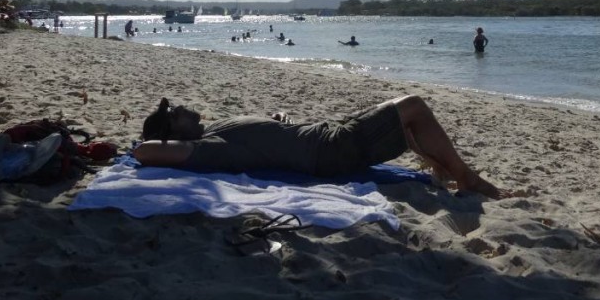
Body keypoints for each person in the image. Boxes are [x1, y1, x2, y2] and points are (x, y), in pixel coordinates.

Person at [134, 96, 505, 198]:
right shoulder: (205, 148)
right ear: (173, 135)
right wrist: (150, 143)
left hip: (325, 134)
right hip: (329, 148)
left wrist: (277, 122)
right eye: (174, 113)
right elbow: (145, 152)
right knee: (413, 107)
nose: (181, 107)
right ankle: (465, 178)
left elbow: (262, 141)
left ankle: (445, 169)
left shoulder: (212, 130)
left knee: (403, 118)